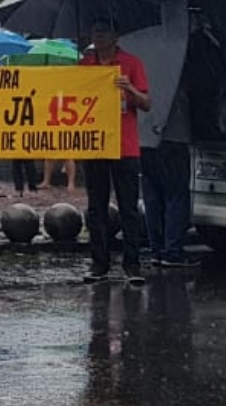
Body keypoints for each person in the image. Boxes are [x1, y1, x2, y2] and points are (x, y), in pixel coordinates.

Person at [80, 18, 150, 285]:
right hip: (94, 145)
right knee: (96, 208)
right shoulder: (84, 65)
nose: (98, 36)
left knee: (128, 208)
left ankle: (132, 264)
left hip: (125, 146)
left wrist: (128, 88)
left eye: (103, 31)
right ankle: (99, 263)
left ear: (115, 36)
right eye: (95, 31)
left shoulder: (131, 64)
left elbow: (146, 103)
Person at [141, 82, 196, 268]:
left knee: (153, 197)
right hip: (174, 138)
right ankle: (172, 251)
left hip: (146, 138)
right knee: (176, 195)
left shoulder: (146, 70)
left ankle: (156, 250)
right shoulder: (176, 69)